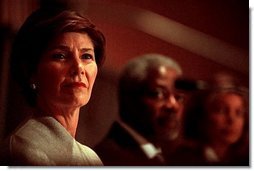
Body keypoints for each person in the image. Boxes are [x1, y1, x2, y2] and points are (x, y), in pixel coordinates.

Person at [0, 8, 106, 166]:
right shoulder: (24, 151)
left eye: (86, 56)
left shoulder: (91, 158)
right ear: (31, 71)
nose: (78, 67)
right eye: (60, 56)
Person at [94, 53, 187, 166]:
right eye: (158, 94)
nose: (173, 106)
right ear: (128, 98)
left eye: (179, 97)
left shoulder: (158, 156)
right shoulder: (109, 159)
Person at [180, 73, 249, 166]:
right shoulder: (183, 161)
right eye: (221, 110)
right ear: (202, 115)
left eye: (239, 112)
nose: (231, 119)